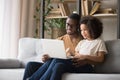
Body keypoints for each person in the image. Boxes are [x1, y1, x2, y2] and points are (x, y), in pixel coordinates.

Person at [29, 15, 107, 80]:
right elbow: (76, 55)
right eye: (81, 30)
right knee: (57, 65)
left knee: (56, 61)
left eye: (85, 30)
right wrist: (71, 55)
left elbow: (101, 58)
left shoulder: (99, 42)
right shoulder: (82, 42)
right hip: (77, 64)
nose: (83, 32)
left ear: (93, 29)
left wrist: (85, 58)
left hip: (87, 66)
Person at [23, 13, 82, 80]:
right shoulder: (60, 40)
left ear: (77, 26)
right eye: (67, 24)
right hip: (53, 63)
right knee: (30, 65)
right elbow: (50, 56)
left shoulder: (82, 41)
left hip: (66, 66)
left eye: (72, 26)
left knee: (56, 62)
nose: (69, 27)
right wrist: (46, 58)